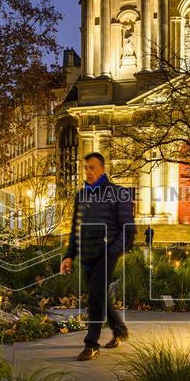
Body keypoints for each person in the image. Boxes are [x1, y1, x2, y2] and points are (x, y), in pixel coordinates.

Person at [61, 152, 136, 361]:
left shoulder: (118, 193)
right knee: (99, 294)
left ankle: (91, 343)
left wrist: (113, 251)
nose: (88, 171)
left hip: (106, 254)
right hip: (87, 255)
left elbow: (128, 229)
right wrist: (69, 255)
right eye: (86, 168)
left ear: (103, 169)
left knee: (95, 297)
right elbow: (76, 229)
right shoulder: (81, 196)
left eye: (92, 167)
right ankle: (119, 329)